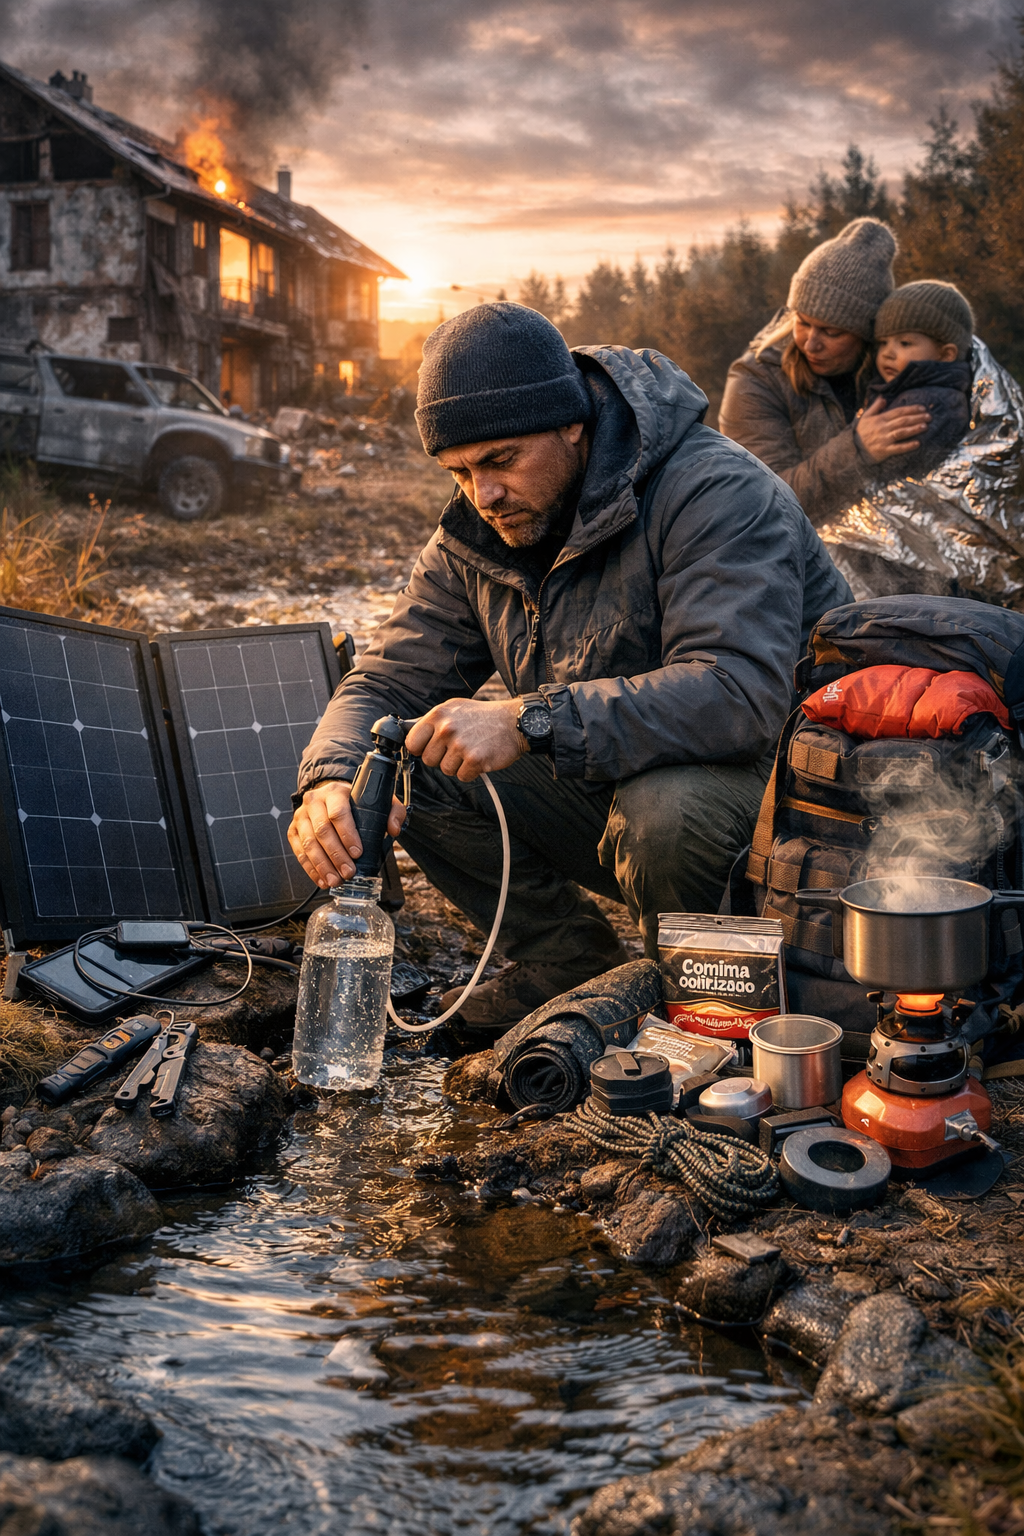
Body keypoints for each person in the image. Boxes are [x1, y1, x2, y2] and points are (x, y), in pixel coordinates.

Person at [288, 303, 852, 1031]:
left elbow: (737, 692)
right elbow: (386, 679)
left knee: (665, 811)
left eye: (500, 461)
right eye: (458, 472)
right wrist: (333, 774)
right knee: (407, 758)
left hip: (783, 795)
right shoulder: (480, 532)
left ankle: (711, 1011)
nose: (482, 495)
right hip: (616, 775)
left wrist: (529, 719)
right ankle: (567, 965)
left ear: (573, 423)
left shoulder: (713, 491)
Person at [718, 218, 934, 523]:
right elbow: (763, 500)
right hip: (799, 561)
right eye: (802, 322)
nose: (810, 344)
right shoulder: (755, 381)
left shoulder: (893, 368)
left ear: (867, 333)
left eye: (831, 332)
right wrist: (857, 451)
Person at [864, 280, 975, 480]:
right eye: (883, 342)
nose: (887, 353)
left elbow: (892, 470)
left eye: (905, 343)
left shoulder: (927, 403)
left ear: (946, 354)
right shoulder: (906, 390)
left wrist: (860, 453)